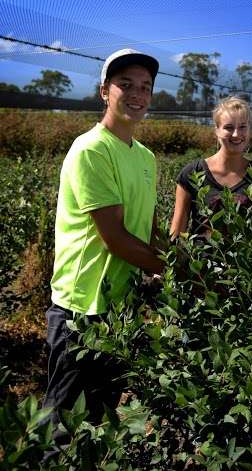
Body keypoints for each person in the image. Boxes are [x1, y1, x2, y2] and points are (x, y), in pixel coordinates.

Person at [44, 49, 165, 435]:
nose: (137, 94)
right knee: (64, 426)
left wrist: (182, 256)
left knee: (99, 421)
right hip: (82, 308)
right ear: (104, 92)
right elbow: (114, 238)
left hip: (120, 309)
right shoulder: (91, 149)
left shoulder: (145, 157)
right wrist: (178, 271)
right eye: (125, 84)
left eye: (145, 87)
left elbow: (148, 228)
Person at [170, 96, 252, 238]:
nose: (236, 134)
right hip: (202, 259)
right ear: (217, 130)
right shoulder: (193, 172)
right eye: (228, 128)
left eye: (242, 127)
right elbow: (177, 232)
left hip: (244, 260)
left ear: (249, 130)